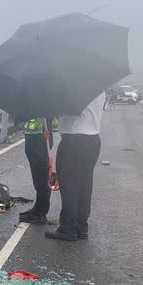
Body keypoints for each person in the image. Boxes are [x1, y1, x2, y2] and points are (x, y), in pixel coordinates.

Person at [45, 92, 104, 241]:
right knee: (85, 184)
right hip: (92, 140)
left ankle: (68, 228)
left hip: (74, 141)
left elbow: (64, 108)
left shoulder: (74, 87)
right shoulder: (98, 87)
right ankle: (81, 226)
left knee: (69, 186)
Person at [19, 116, 58, 224]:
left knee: (41, 176)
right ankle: (38, 208)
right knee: (36, 175)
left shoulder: (44, 101)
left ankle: (41, 213)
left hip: (41, 136)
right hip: (32, 136)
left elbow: (51, 115)